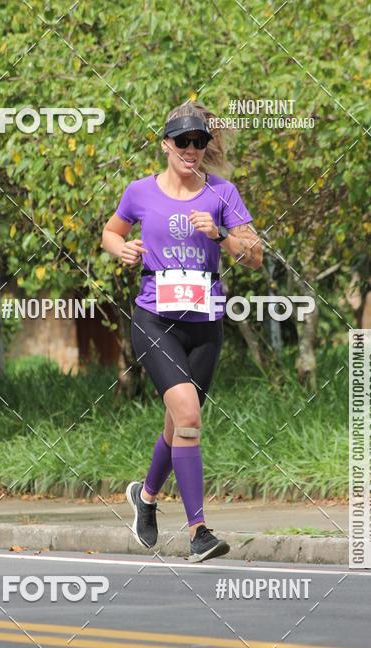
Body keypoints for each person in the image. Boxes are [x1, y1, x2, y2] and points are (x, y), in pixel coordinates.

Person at [101, 100, 262, 562]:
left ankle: (145, 497)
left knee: (179, 424)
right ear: (165, 144)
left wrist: (220, 236)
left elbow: (255, 256)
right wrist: (120, 249)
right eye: (183, 142)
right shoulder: (139, 191)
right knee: (189, 416)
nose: (191, 150)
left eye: (199, 141)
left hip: (205, 322)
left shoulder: (222, 193)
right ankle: (199, 532)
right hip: (155, 319)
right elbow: (110, 232)